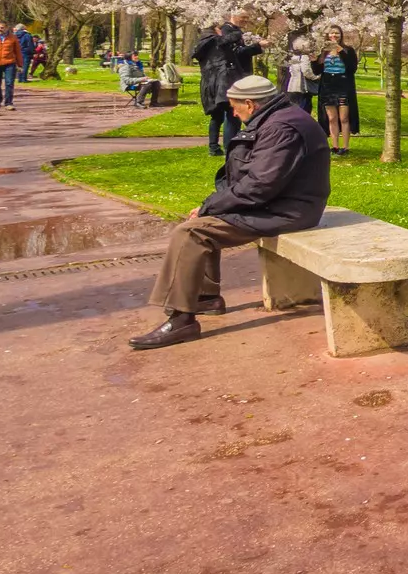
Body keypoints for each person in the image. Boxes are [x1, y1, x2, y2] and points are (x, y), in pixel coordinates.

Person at [129, 74, 330, 350]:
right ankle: (204, 298)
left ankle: (181, 320)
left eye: (236, 107)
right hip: (278, 204)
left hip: (288, 210)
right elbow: (251, 178)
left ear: (251, 103)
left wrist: (209, 206)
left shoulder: (282, 128)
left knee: (191, 233)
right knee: (203, 223)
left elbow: (259, 186)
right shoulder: (276, 119)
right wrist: (211, 206)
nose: (233, 112)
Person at [191, 17, 263, 156]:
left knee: (216, 116)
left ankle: (213, 147)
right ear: (216, 30)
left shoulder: (204, 45)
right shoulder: (217, 42)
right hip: (223, 82)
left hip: (210, 83)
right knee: (232, 113)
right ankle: (230, 146)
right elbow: (228, 42)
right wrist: (242, 36)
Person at [315, 25, 361, 156]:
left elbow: (352, 68)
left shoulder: (348, 50)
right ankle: (334, 146)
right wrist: (313, 61)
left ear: (341, 35)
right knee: (331, 118)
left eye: (337, 33)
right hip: (327, 87)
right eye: (331, 33)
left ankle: (345, 147)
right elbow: (317, 71)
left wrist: (340, 51)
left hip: (343, 87)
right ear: (327, 35)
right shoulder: (323, 51)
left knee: (344, 117)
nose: (334, 36)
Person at [285, 36, 320, 120]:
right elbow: (306, 71)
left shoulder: (294, 57)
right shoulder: (305, 57)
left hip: (293, 86)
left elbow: (291, 70)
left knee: (295, 107)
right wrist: (317, 77)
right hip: (303, 87)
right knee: (304, 108)